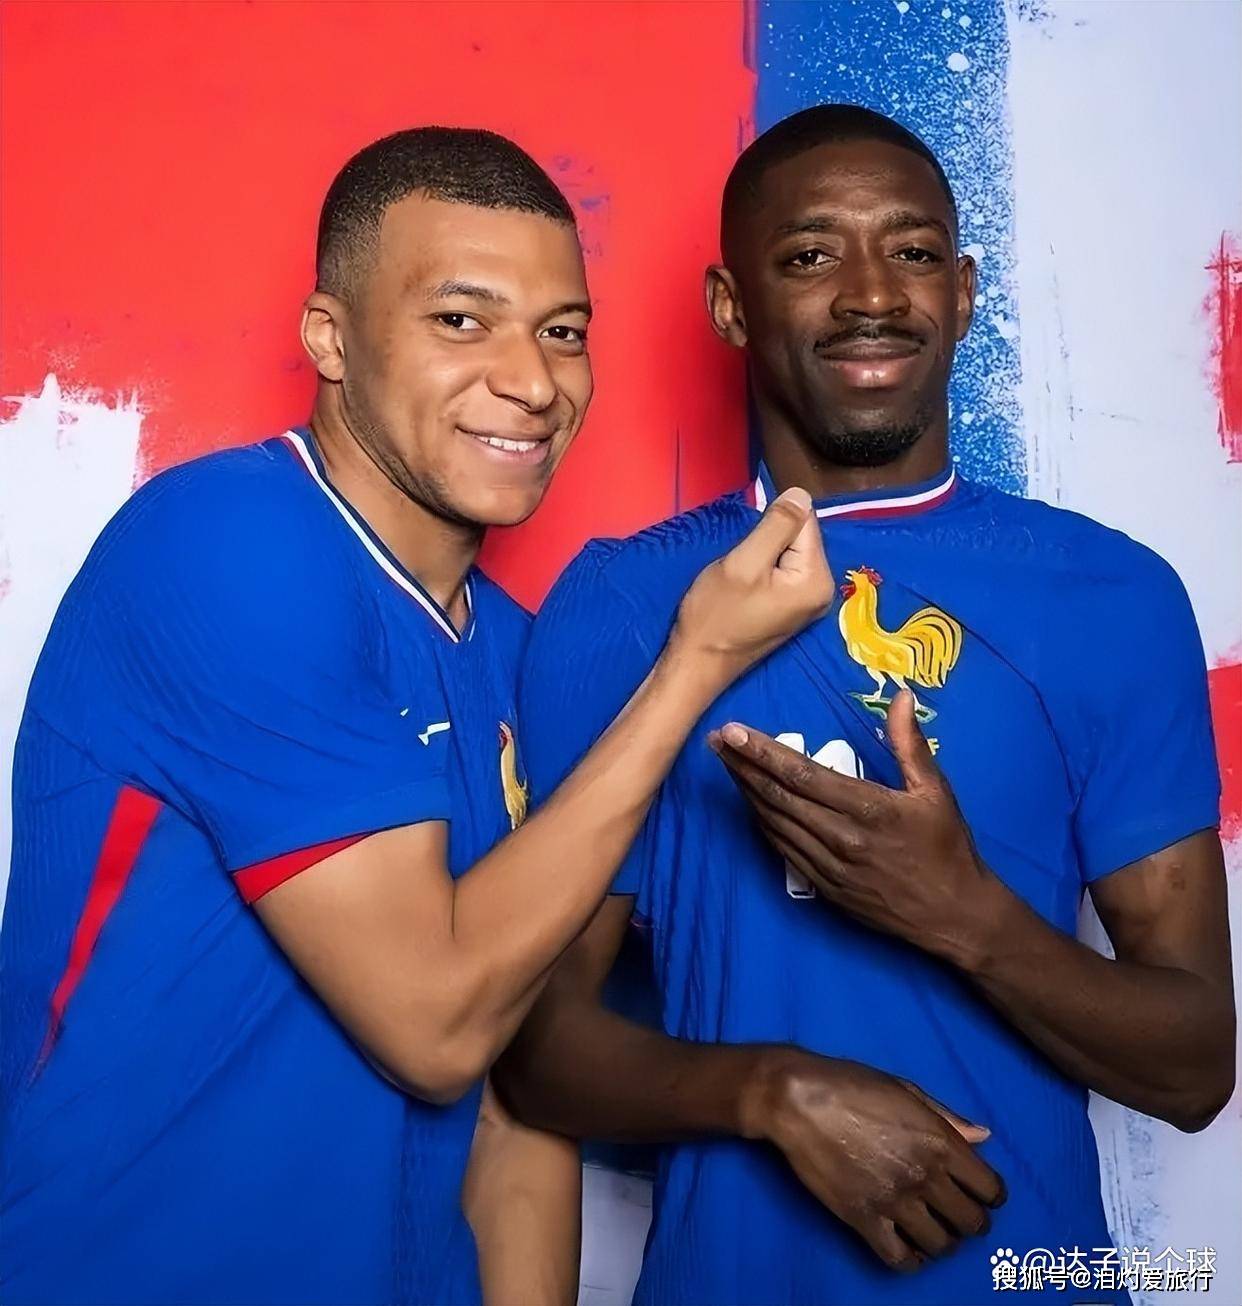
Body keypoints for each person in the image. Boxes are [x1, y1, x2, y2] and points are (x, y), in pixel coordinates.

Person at [0, 126, 832, 1306]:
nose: (532, 381)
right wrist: (693, 664)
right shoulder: (226, 546)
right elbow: (435, 1023)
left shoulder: (516, 653)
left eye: (562, 331)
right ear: (330, 339)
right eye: (460, 319)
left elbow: (511, 1097)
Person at [500, 105, 1235, 1306]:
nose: (871, 294)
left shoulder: (1112, 595)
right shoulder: (623, 603)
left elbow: (1196, 1064)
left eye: (912, 251)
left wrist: (963, 914)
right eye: (808, 256)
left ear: (964, 290)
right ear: (731, 305)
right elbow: (535, 1047)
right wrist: (772, 1090)